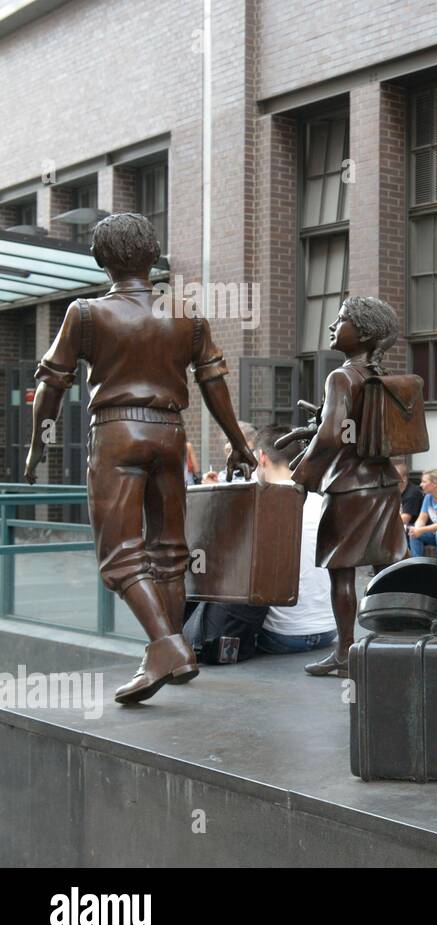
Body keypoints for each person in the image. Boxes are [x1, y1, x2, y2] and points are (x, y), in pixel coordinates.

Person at [24, 212, 256, 704]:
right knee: (171, 554)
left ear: (100, 261)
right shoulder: (186, 312)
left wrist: (38, 443)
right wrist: (237, 442)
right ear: (153, 255)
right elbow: (213, 381)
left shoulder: (86, 313)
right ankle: (170, 653)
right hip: (171, 433)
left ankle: (168, 647)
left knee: (119, 555)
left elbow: (50, 384)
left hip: (116, 433)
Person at [279, 296, 408, 678]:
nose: (334, 327)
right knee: (388, 569)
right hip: (383, 483)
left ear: (364, 333)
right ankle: (394, 648)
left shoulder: (340, 377)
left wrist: (300, 477)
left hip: (350, 488)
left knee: (342, 572)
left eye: (341, 321)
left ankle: (346, 652)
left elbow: (334, 435)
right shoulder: (381, 377)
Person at [252, 424, 338, 653]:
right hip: (329, 630)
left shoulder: (259, 506)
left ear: (261, 458)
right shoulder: (323, 504)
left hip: (281, 635)